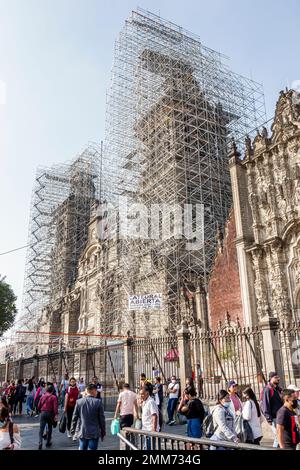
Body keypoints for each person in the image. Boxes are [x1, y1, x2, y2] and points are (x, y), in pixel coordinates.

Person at [70, 383, 106, 451]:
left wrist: (72, 430)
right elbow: (102, 419)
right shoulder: (98, 402)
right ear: (94, 391)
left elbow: (74, 417)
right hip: (94, 432)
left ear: (86, 391)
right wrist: (103, 432)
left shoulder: (79, 402)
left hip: (82, 431)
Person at [261, 371, 283, 447]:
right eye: (276, 377)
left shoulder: (278, 389)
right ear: (271, 378)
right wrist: (269, 419)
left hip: (280, 417)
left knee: (281, 437)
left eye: (278, 377)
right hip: (274, 418)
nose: (278, 379)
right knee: (278, 437)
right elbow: (265, 405)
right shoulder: (268, 389)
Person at [37, 383, 58, 450]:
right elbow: (55, 407)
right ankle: (48, 442)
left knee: (41, 429)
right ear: (52, 391)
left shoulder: (42, 396)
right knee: (49, 428)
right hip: (50, 414)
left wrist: (41, 411)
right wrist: (56, 415)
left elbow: (39, 406)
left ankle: (40, 442)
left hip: (43, 413)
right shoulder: (54, 397)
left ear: (46, 390)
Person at [140, 385, 160, 449]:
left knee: (147, 448)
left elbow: (154, 415)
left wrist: (153, 430)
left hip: (150, 430)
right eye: (140, 394)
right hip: (146, 430)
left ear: (147, 393)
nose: (141, 396)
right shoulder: (145, 401)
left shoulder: (150, 402)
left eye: (142, 394)